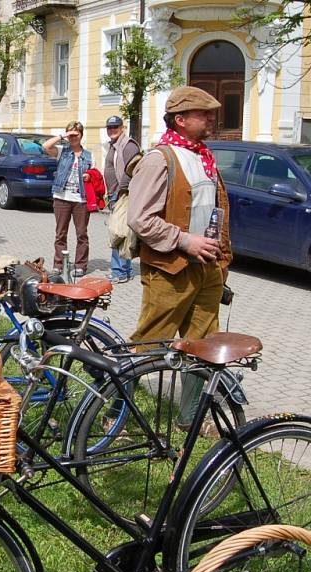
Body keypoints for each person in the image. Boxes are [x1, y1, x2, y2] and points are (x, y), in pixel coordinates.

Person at [127, 86, 232, 427]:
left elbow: (216, 211)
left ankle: (188, 419)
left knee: (202, 346)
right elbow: (140, 219)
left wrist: (222, 259)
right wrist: (185, 242)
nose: (211, 118)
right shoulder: (160, 159)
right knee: (148, 345)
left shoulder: (203, 157)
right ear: (181, 119)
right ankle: (113, 414)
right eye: (204, 113)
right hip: (170, 270)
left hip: (206, 269)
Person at [43, 121, 93, 277]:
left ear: (81, 135)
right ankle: (58, 264)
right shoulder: (62, 152)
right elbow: (45, 146)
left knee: (81, 234)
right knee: (60, 233)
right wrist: (63, 135)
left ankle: (80, 265)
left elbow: (96, 176)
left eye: (76, 134)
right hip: (61, 197)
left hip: (81, 200)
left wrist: (89, 176)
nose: (73, 138)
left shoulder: (88, 155)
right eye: (70, 135)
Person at [103, 115, 140, 283]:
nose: (112, 130)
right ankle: (124, 270)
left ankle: (119, 272)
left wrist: (119, 193)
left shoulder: (128, 145)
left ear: (122, 128)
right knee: (122, 233)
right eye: (109, 128)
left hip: (124, 195)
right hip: (115, 194)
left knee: (119, 232)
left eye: (115, 127)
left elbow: (131, 170)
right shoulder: (114, 145)